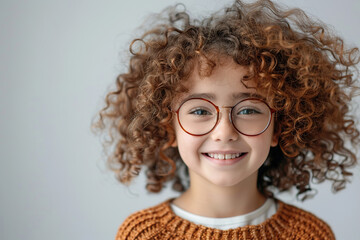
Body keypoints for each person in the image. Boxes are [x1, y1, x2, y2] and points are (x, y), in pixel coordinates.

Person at [93, 0, 359, 239]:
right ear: (168, 127)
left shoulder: (310, 235)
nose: (224, 132)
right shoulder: (142, 234)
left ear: (280, 126)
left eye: (248, 110)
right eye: (199, 111)